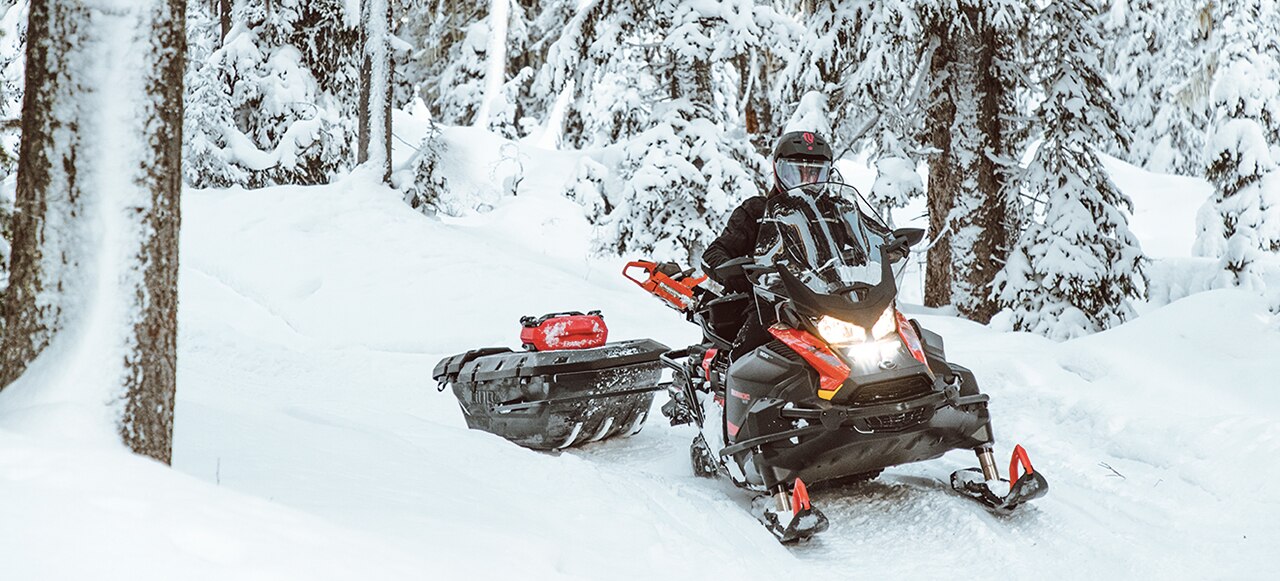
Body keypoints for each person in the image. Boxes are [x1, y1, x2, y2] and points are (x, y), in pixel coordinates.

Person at [701, 131, 834, 360]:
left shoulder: (835, 213)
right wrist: (738, 272)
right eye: (795, 173)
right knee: (749, 349)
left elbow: (868, 239)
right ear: (778, 171)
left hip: (831, 301)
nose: (805, 181)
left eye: (814, 173)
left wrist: (889, 246)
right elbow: (714, 253)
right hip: (773, 303)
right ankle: (732, 375)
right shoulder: (757, 211)